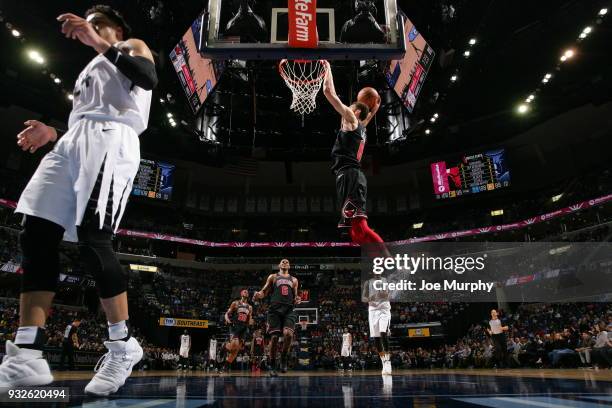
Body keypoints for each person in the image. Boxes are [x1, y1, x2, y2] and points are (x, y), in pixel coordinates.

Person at [0, 5, 157, 396]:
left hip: (112, 139)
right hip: (72, 142)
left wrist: (95, 38)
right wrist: (53, 133)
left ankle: (122, 346)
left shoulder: (132, 45)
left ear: (116, 27)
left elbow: (148, 78)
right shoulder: (90, 68)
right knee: (35, 233)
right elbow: (85, 116)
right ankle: (27, 353)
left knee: (92, 239)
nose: (88, 26)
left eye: (97, 20)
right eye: (88, 23)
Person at [321, 61, 384, 249]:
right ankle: (379, 271)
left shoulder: (351, 119)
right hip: (347, 175)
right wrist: (375, 107)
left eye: (349, 107)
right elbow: (370, 115)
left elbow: (328, 92)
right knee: (355, 233)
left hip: (351, 175)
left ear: (355, 111)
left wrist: (327, 68)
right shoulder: (362, 127)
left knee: (361, 228)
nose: (345, 109)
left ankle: (392, 265)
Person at [253, 259, 301, 376]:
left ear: (289, 266)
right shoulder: (273, 277)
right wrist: (259, 294)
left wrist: (298, 299)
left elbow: (296, 296)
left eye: (287, 261)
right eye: (282, 261)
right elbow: (264, 291)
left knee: (288, 334)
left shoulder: (294, 280)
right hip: (274, 310)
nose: (285, 262)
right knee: (274, 338)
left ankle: (284, 358)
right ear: (279, 265)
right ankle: (273, 364)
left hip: (289, 310)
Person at [362, 277, 392, 375]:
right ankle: (383, 362)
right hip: (373, 311)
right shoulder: (367, 282)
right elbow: (363, 298)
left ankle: (388, 361)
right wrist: (371, 298)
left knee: (383, 333)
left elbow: (388, 294)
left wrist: (381, 294)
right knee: (377, 338)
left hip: (384, 310)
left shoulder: (385, 280)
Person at [222, 289, 253, 373]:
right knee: (234, 345)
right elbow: (227, 313)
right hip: (235, 326)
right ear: (241, 293)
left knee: (236, 350)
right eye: (244, 291)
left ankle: (226, 365)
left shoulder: (250, 307)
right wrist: (227, 319)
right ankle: (224, 346)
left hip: (243, 328)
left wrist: (250, 322)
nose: (246, 292)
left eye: (247, 291)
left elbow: (249, 319)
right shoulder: (235, 303)